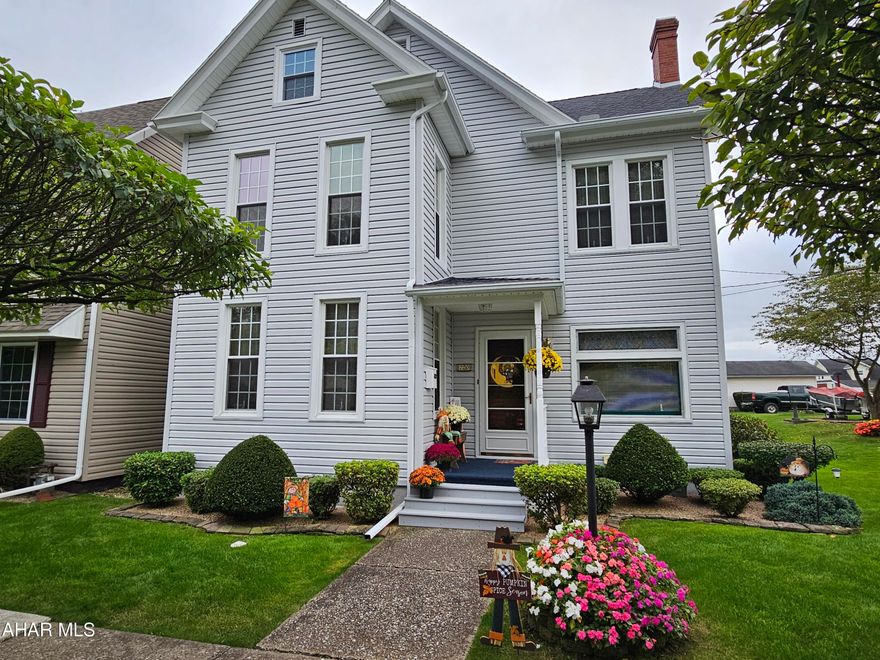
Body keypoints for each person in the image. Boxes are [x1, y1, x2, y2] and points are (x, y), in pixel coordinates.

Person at [480, 527, 538, 650]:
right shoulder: (495, 572)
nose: (504, 555)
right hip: (499, 582)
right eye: (501, 552)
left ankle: (518, 640)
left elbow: (522, 584)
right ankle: (495, 638)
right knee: (498, 606)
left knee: (513, 606)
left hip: (511, 581)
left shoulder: (514, 572)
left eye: (506, 552)